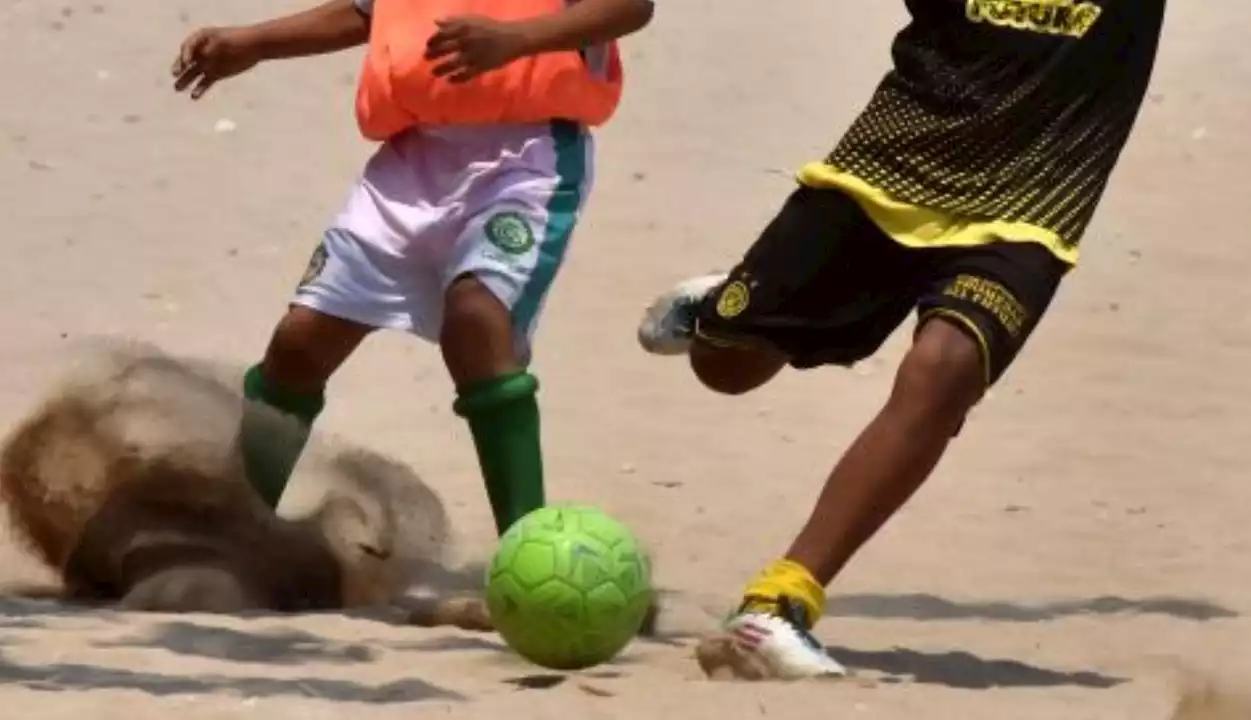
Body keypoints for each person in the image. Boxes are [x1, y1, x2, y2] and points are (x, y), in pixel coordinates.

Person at [638, 0, 1168, 679]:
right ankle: (720, 309)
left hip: (1032, 203)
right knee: (728, 367)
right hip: (891, 164)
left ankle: (780, 602)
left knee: (946, 369)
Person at [170, 0, 653, 535]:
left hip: (529, 156)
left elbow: (629, 6)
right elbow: (367, 12)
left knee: (476, 319)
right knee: (301, 342)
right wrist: (253, 42)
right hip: (412, 158)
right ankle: (239, 531)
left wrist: (516, 41)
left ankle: (525, 541)